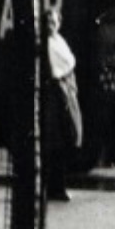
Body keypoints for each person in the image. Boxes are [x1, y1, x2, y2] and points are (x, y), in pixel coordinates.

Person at [39, 27, 81, 203]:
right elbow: (61, 66)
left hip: (64, 92)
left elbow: (69, 60)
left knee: (61, 144)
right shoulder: (48, 43)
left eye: (55, 20)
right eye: (49, 21)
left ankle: (57, 187)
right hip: (56, 94)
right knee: (55, 144)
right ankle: (55, 188)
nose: (52, 24)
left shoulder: (59, 40)